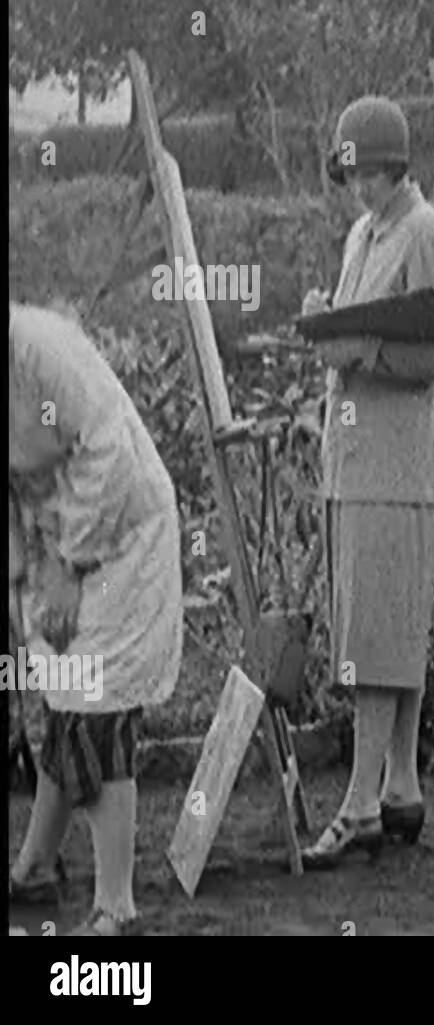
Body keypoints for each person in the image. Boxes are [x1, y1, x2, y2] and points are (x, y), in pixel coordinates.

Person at [301, 96, 434, 867]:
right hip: (357, 461)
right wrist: (327, 320)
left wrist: (361, 352)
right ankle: (399, 785)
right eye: (350, 173)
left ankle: (360, 801)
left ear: (396, 165)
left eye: (367, 172)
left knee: (376, 636)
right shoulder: (363, 232)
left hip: (397, 467)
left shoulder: (425, 232)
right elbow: (359, 327)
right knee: (381, 627)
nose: (358, 186)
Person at [8, 302, 183, 936]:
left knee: (98, 710)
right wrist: (23, 575)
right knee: (65, 701)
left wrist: (72, 564)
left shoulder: (39, 351)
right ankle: (33, 869)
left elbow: (104, 447)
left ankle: (117, 907)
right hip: (57, 540)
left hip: (121, 533)